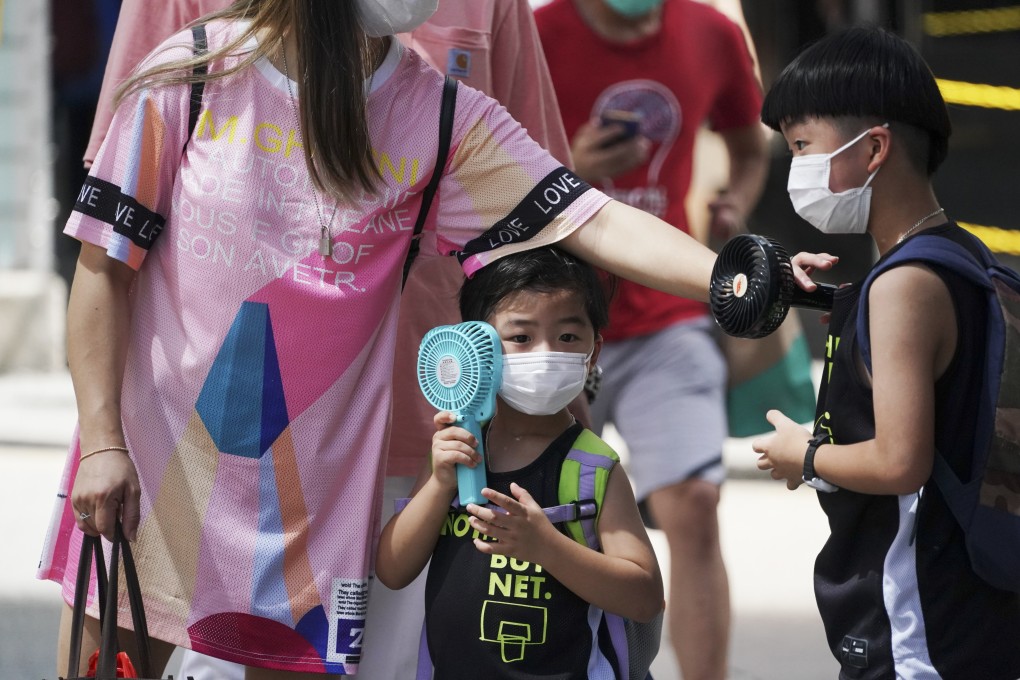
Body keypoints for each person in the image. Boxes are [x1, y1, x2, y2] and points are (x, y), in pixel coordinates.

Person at [38, 1, 743, 678]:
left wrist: (741, 279)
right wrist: (103, 442)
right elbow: (102, 270)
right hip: (154, 473)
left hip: (307, 509)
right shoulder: (193, 71)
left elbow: (591, 221)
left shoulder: (438, 114)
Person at [752, 25, 1020, 679]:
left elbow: (901, 461)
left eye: (804, 147)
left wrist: (804, 455)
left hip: (920, 618)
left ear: (873, 148)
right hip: (977, 602)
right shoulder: (967, 262)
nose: (797, 169)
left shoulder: (902, 286)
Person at [534, 2, 768, 677]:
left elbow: (750, 145)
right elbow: (484, 168)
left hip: (671, 316)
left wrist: (735, 203)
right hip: (555, 320)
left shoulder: (710, 32)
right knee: (540, 515)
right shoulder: (538, 34)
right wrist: (567, 161)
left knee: (694, 506)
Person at [376, 247, 664, 677]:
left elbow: (644, 597)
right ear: (476, 346)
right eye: (521, 337)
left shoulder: (593, 468)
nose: (544, 354)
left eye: (567, 337)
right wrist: (438, 486)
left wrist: (546, 546)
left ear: (594, 350)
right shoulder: (455, 451)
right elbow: (392, 569)